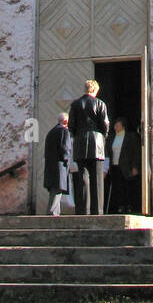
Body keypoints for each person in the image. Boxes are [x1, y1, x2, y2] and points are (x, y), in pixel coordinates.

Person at [67, 79, 110, 215]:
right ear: (95, 90)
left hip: (80, 142)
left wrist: (78, 135)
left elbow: (71, 125)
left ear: (85, 89)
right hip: (96, 143)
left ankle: (82, 210)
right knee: (97, 178)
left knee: (83, 177)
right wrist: (103, 136)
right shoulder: (100, 103)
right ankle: (97, 210)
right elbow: (105, 124)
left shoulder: (75, 104)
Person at [105, 117, 142, 213]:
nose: (115, 127)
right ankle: (120, 206)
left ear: (123, 126)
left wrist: (135, 167)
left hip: (126, 166)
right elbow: (108, 152)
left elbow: (135, 153)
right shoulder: (112, 138)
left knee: (128, 187)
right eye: (115, 125)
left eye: (118, 125)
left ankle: (129, 206)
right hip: (115, 165)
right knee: (118, 187)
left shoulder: (130, 137)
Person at [42, 112, 72, 217]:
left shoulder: (51, 132)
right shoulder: (64, 131)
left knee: (55, 190)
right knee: (57, 190)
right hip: (60, 167)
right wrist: (68, 161)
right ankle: (52, 213)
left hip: (50, 166)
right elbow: (66, 149)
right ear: (66, 121)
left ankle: (56, 213)